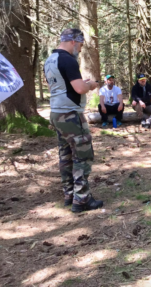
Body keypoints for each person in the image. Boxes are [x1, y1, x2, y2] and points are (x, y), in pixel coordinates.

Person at [44, 28, 103, 213]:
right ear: (73, 42)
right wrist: (91, 85)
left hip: (56, 112)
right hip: (70, 114)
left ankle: (69, 194)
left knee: (66, 155)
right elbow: (78, 89)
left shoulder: (50, 60)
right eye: (80, 44)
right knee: (82, 153)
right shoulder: (67, 59)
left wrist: (81, 83)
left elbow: (61, 85)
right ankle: (82, 199)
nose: (80, 49)